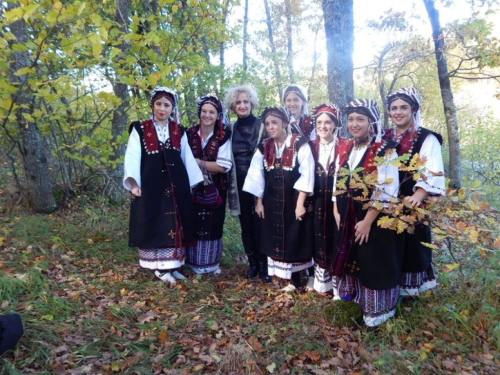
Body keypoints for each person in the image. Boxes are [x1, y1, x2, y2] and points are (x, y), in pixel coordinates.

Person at [332, 99, 402, 326]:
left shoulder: (384, 149)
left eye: (360, 119)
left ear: (371, 122)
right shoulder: (345, 146)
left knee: (373, 260)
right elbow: (337, 180)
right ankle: (355, 302)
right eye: (351, 119)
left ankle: (377, 314)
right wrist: (336, 208)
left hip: (374, 217)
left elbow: (386, 189)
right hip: (347, 214)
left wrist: (367, 221)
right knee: (354, 257)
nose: (354, 124)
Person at [124, 87, 203, 285]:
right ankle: (159, 268)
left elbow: (187, 157)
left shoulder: (178, 130)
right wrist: (134, 183)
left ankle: (173, 265)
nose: (162, 108)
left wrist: (192, 184)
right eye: (158, 104)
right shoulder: (140, 128)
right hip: (151, 185)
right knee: (155, 221)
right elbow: (133, 155)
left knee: (176, 223)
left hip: (176, 185)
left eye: (167, 105)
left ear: (172, 108)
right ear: (152, 105)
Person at [243, 106, 315, 292]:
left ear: (284, 123)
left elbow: (307, 174)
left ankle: (297, 278)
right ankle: (284, 277)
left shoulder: (301, 144)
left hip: (293, 200)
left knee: (295, 235)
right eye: (267, 124)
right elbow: (256, 175)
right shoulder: (264, 147)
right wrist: (259, 202)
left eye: (274, 123)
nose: (270, 127)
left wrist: (300, 204)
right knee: (274, 234)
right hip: (272, 200)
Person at [384, 87, 445, 297]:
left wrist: (418, 196)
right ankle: (389, 286)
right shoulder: (384, 136)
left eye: (403, 107)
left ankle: (410, 291)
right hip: (385, 203)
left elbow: (432, 170)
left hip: (412, 202)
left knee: (412, 244)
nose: (398, 112)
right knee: (388, 243)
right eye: (393, 108)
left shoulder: (427, 138)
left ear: (413, 109)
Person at [225, 85, 270, 282]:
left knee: (262, 224)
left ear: (252, 103)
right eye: (238, 102)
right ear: (233, 106)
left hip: (262, 184)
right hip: (239, 183)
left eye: (245, 101)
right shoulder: (230, 129)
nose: (242, 105)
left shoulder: (263, 126)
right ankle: (252, 265)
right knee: (246, 225)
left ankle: (265, 265)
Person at [185, 95, 232, 274]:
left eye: (211, 112)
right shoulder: (189, 133)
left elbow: (223, 165)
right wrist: (207, 166)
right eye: (204, 111)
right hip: (193, 187)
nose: (207, 115)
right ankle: (193, 263)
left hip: (216, 189)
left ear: (218, 115)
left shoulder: (223, 135)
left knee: (213, 223)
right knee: (194, 221)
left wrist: (196, 162)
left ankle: (211, 264)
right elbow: (182, 160)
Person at [306, 103, 342, 293]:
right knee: (317, 238)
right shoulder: (309, 146)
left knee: (336, 237)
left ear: (335, 124)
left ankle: (337, 284)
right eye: (319, 122)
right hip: (316, 202)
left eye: (327, 122)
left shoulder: (344, 146)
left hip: (337, 202)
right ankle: (321, 282)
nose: (323, 126)